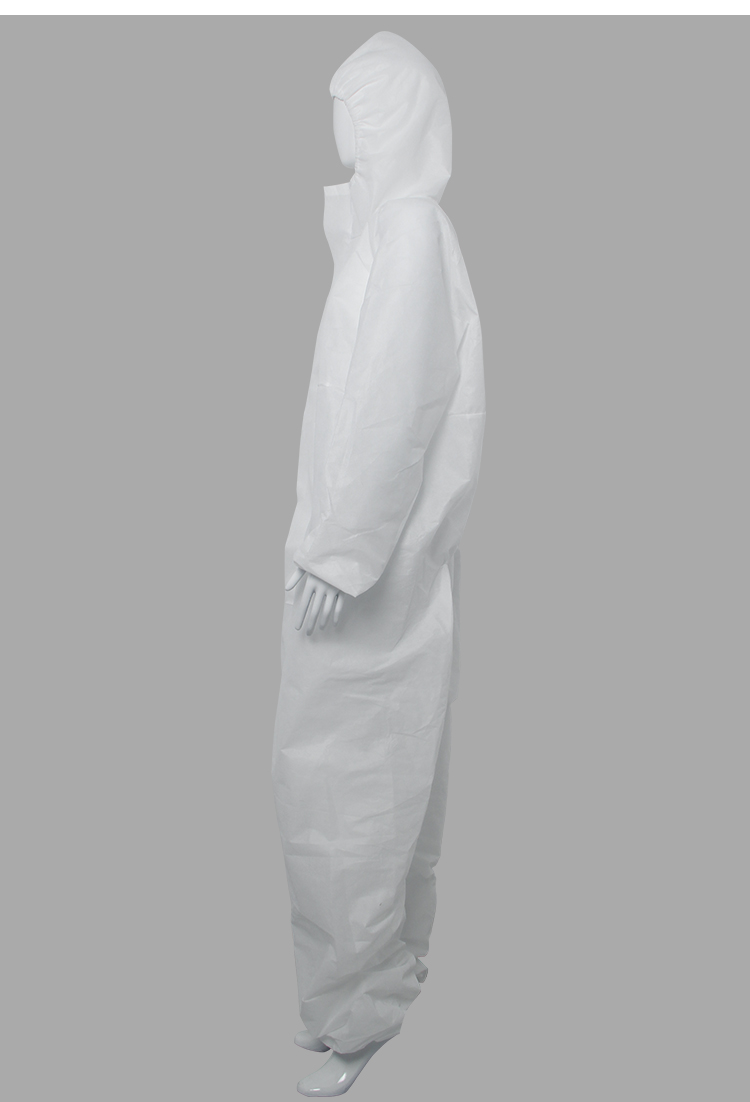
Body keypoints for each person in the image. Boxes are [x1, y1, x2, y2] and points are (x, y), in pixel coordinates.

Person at [272, 31, 485, 1097]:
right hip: (376, 569)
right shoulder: (398, 229)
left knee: (346, 795)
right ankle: (376, 977)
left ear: (390, 115)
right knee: (382, 779)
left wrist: (338, 549)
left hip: (361, 572)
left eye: (353, 106)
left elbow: (395, 409)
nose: (338, 123)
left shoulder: (409, 237)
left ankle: (359, 1008)